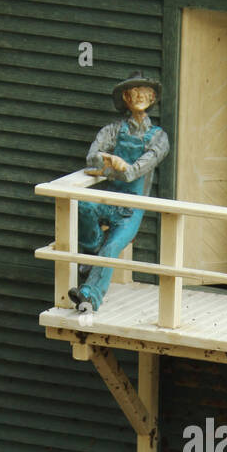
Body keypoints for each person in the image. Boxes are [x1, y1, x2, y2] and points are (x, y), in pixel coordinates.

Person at [68, 73, 170, 312]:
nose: (140, 97)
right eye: (134, 92)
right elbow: (92, 157)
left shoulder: (159, 137)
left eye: (145, 93)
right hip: (109, 199)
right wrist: (106, 160)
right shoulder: (114, 130)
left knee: (112, 247)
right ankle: (93, 249)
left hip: (131, 209)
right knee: (82, 206)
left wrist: (115, 166)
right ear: (126, 97)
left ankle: (89, 297)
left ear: (153, 97)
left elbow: (134, 171)